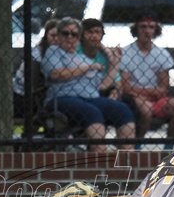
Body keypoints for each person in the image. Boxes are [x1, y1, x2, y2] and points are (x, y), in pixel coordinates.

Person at [41, 17, 135, 153]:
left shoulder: (84, 59)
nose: (69, 37)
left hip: (90, 97)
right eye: (65, 33)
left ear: (79, 37)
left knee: (123, 110)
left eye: (74, 34)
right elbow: (56, 74)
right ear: (59, 35)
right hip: (62, 97)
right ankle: (100, 158)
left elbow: (102, 86)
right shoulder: (54, 52)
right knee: (92, 112)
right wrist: (87, 68)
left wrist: (115, 63)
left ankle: (127, 158)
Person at [120, 12, 174, 139]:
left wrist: (147, 92)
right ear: (136, 29)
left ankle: (169, 144)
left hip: (154, 98)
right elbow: (126, 87)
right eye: (143, 27)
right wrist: (151, 92)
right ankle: (138, 143)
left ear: (156, 30)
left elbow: (164, 87)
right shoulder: (125, 53)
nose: (147, 31)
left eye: (151, 27)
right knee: (146, 110)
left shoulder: (161, 54)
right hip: (133, 98)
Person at [13, 18, 60, 115]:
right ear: (46, 35)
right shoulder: (37, 52)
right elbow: (34, 82)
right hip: (24, 96)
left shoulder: (60, 51)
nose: (56, 39)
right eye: (53, 35)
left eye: (58, 36)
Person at [77, 18, 123, 99]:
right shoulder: (75, 50)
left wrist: (116, 91)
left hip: (101, 92)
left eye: (97, 32)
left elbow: (118, 82)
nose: (94, 35)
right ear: (82, 35)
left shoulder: (106, 55)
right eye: (90, 32)